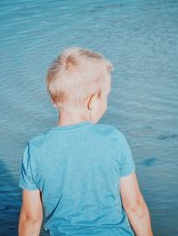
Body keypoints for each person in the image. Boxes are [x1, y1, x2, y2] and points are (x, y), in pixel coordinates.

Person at [18, 47, 153, 236]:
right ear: (92, 102)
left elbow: (30, 219)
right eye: (106, 96)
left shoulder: (35, 150)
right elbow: (135, 206)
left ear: (53, 99)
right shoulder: (113, 139)